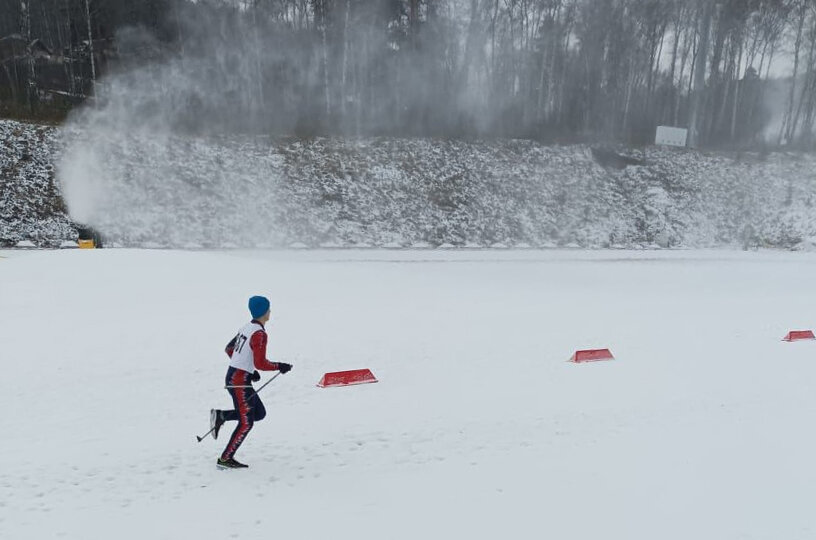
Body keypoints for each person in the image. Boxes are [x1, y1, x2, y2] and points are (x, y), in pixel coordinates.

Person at [210, 295, 292, 469]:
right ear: (263, 312)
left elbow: (229, 349)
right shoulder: (259, 334)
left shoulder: (246, 328)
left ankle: (221, 416)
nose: (270, 311)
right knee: (246, 422)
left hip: (237, 377)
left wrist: (248, 369)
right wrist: (280, 366)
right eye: (268, 309)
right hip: (239, 382)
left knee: (259, 413)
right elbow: (261, 363)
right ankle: (225, 459)